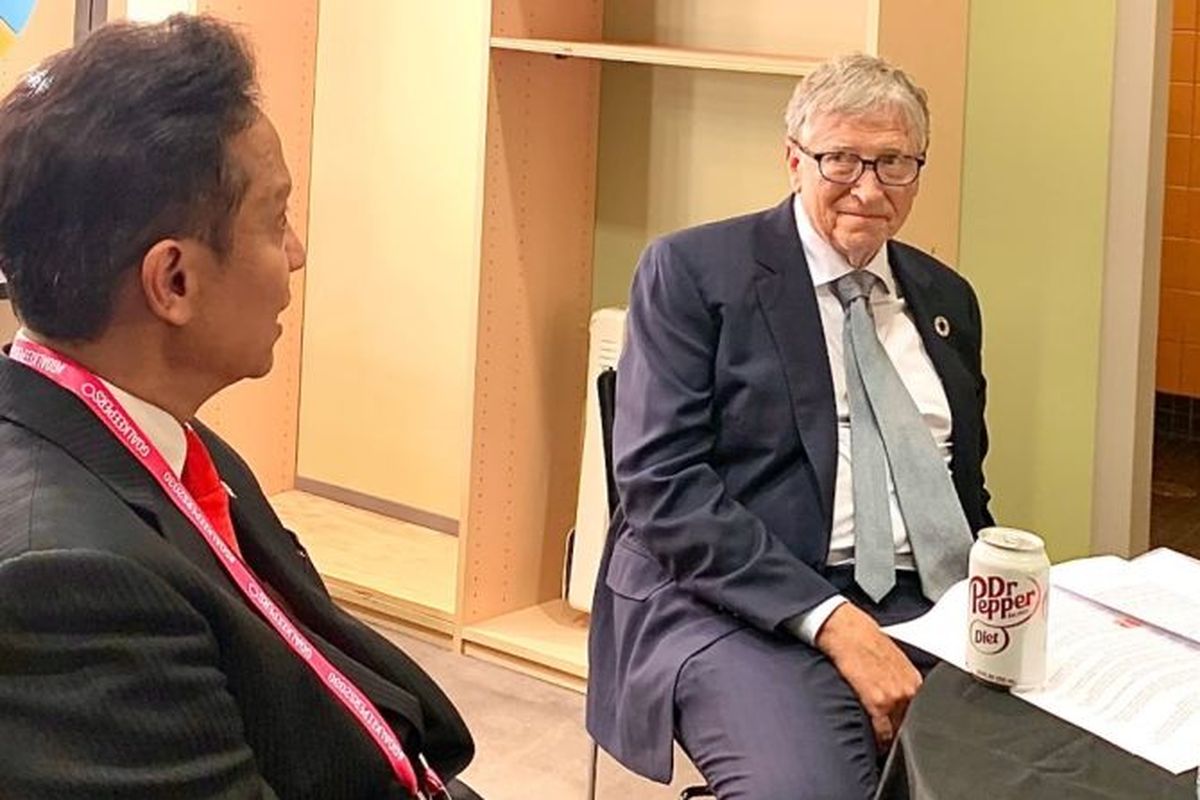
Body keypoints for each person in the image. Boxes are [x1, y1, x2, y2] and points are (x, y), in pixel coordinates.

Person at [0, 16, 477, 800]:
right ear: (174, 281)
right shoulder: (65, 586)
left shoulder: (170, 443)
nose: (297, 252)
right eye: (275, 218)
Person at [587, 54, 993, 799]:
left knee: (1042, 769)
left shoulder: (947, 300)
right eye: (842, 159)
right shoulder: (693, 271)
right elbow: (662, 488)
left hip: (925, 601)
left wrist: (1004, 587)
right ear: (793, 158)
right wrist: (838, 624)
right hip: (736, 601)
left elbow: (961, 487)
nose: (869, 189)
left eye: (895, 162)